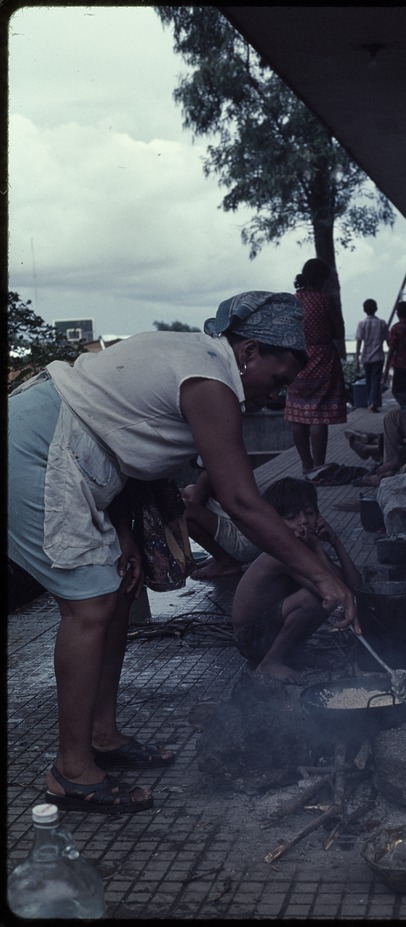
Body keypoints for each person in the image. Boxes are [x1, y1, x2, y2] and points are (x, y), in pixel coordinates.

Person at [8, 290, 360, 815]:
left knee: (120, 592)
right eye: (279, 379)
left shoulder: (204, 364)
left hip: (80, 456)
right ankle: (71, 772)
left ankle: (102, 736)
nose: (276, 395)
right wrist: (325, 580)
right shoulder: (210, 381)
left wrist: (126, 537)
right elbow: (242, 501)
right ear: (248, 353)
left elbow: (121, 433)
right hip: (35, 449)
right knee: (91, 606)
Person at [231, 477, 362, 681]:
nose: (303, 521)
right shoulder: (280, 554)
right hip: (251, 639)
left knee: (325, 596)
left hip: (269, 631)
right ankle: (270, 662)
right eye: (292, 517)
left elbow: (352, 587)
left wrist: (334, 542)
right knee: (312, 598)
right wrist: (319, 548)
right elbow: (329, 591)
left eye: (309, 513)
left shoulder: (306, 549)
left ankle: (294, 652)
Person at [284, 258, 347, 478]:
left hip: (297, 360)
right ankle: (318, 468)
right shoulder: (325, 301)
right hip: (323, 359)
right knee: (318, 416)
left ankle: (305, 465)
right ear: (322, 280)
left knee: (298, 415)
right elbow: (339, 332)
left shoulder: (293, 302)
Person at [181, 467, 260, 580]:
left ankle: (225, 562)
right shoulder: (224, 467)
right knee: (189, 491)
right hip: (254, 541)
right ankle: (221, 556)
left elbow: (193, 506)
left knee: (182, 510)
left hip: (246, 546)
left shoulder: (208, 474)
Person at [355, 298, 389, 411]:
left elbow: (359, 341)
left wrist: (357, 359)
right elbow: (388, 340)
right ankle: (374, 402)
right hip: (378, 356)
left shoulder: (362, 324)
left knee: (369, 380)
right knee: (375, 380)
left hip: (366, 356)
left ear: (364, 310)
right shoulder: (382, 323)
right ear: (376, 309)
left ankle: (371, 401)